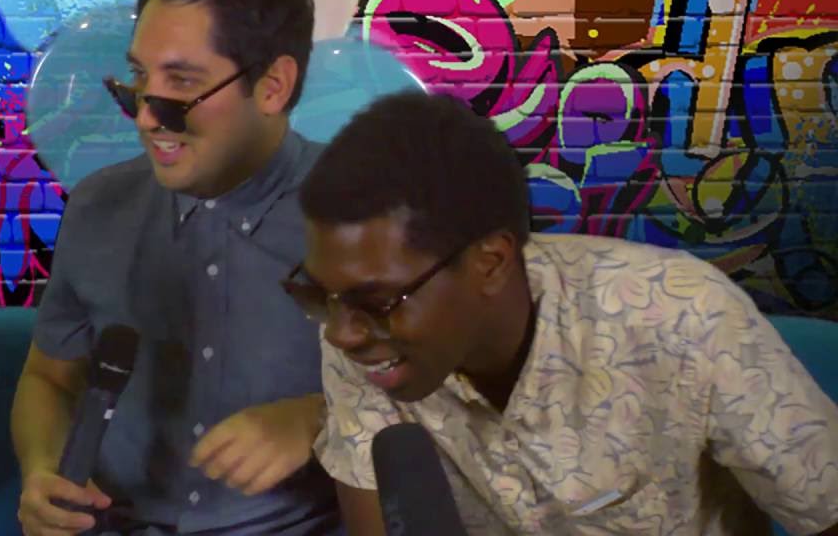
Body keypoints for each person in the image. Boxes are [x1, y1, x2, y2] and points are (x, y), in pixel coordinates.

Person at [291, 90, 838, 535]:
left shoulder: (682, 317)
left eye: (376, 301)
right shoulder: (363, 339)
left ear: (490, 263)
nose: (340, 333)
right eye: (321, 296)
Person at [10, 0, 343, 536]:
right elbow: (48, 380)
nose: (145, 116)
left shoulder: (365, 218)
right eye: (139, 79)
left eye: (182, 83)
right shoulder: (97, 208)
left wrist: (319, 419)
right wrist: (43, 470)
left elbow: (451, 400)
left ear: (273, 86)